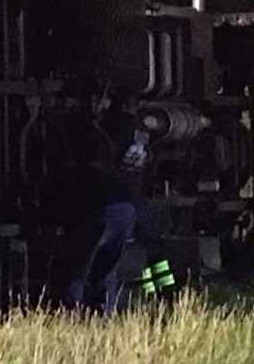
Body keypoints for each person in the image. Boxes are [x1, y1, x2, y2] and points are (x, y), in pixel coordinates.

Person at [58, 89, 176, 315]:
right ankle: (161, 299)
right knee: (121, 259)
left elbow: (92, 167)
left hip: (108, 206)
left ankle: (76, 310)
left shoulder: (108, 132)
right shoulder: (141, 133)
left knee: (86, 263)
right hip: (131, 206)